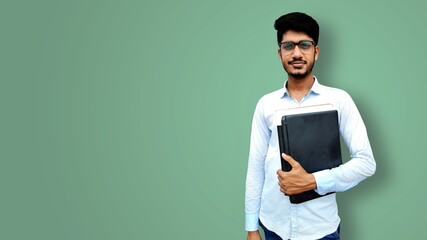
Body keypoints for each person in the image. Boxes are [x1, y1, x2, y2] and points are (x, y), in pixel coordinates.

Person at [245, 12, 376, 240]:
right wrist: (252, 227)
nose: (296, 53)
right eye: (288, 46)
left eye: (304, 45)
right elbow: (256, 167)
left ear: (316, 51)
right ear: (280, 53)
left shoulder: (339, 100)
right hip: (273, 226)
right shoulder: (265, 104)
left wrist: (313, 181)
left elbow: (366, 163)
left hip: (321, 229)